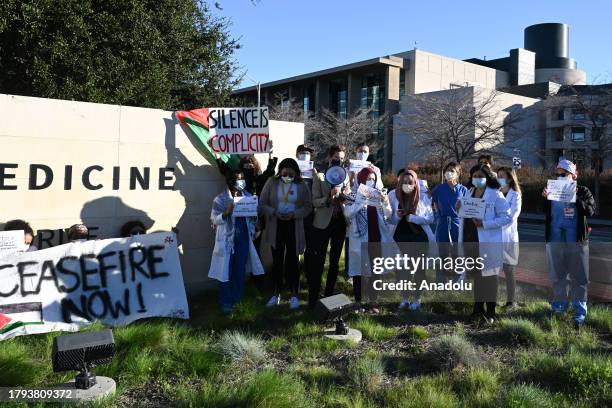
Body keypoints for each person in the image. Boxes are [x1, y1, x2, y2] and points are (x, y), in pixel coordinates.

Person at [542, 159, 595, 329]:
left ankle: (579, 313)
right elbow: (543, 211)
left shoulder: (582, 190)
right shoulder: (552, 189)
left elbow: (591, 210)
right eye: (557, 174)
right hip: (556, 239)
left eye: (563, 174)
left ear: (573, 175)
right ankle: (559, 308)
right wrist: (544, 198)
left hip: (576, 241)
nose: (559, 177)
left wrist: (575, 199)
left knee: (579, 278)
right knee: (558, 276)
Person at [458, 165, 511, 324]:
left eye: (480, 175)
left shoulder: (495, 195)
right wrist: (458, 208)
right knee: (476, 277)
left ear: (488, 177)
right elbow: (464, 215)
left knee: (489, 278)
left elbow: (507, 217)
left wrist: (485, 224)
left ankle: (491, 312)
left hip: (488, 243)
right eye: (474, 175)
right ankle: (478, 309)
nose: (476, 178)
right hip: (471, 240)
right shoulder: (469, 192)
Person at [259, 158, 313, 309]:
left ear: (296, 173)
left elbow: (308, 206)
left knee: (293, 261)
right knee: (277, 261)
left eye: (291, 173)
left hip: (293, 225)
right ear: (280, 171)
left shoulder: (301, 185)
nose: (288, 175)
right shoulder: (272, 182)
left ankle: (294, 294)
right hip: (276, 225)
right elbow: (262, 203)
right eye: (285, 172)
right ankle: (276, 294)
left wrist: (294, 214)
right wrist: (274, 212)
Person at [209, 169, 264, 313]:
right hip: (227, 241)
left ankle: (237, 299)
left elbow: (253, 218)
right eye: (238, 179)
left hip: (243, 239)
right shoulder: (220, 199)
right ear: (230, 182)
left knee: (239, 271)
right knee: (225, 271)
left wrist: (255, 219)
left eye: (242, 178)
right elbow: (214, 219)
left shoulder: (249, 197)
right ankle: (226, 302)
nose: (241, 182)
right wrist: (226, 213)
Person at [344, 167, 393, 311]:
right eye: (367, 179)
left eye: (373, 179)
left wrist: (385, 202)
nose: (370, 181)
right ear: (361, 179)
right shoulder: (353, 195)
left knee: (376, 270)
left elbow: (389, 215)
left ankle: (374, 301)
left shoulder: (379, 195)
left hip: (376, 237)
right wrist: (360, 201)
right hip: (360, 239)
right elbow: (348, 213)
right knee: (358, 270)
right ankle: (358, 301)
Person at [309, 145, 351, 308]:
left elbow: (348, 199)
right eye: (335, 158)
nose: (338, 161)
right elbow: (314, 201)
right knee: (317, 260)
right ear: (329, 157)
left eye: (341, 158)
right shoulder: (319, 176)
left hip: (339, 222)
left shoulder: (345, 177)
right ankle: (313, 297)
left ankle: (328, 295)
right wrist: (328, 198)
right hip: (321, 223)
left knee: (334, 261)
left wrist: (342, 196)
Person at [389, 169, 435, 310]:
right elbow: (389, 218)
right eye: (404, 182)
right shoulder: (393, 195)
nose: (407, 185)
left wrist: (414, 218)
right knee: (403, 269)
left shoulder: (423, 197)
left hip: (419, 236)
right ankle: (404, 299)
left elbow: (430, 218)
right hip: (400, 235)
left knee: (419, 269)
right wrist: (397, 215)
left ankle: (417, 300)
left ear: (415, 184)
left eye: (410, 182)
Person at [431, 162, 468, 282]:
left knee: (458, 253)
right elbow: (434, 203)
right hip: (442, 223)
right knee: (442, 253)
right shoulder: (439, 188)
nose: (449, 173)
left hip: (457, 223)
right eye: (447, 170)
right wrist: (438, 215)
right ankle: (441, 281)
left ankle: (458, 281)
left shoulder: (463, 190)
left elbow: (468, 207)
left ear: (458, 174)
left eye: (452, 170)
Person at [497, 167, 522, 310]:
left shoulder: (516, 195)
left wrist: (493, 223)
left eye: (502, 176)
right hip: (494, 238)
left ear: (509, 178)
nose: (499, 178)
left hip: (508, 238)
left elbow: (512, 217)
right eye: (498, 175)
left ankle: (511, 301)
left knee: (509, 270)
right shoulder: (496, 194)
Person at [296, 144, 317, 290]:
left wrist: (316, 175)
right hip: (295, 217)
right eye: (303, 153)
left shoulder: (315, 172)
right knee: (294, 250)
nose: (305, 155)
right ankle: (293, 281)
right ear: (297, 155)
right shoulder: (291, 172)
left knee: (311, 250)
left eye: (308, 153)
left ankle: (310, 279)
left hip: (311, 217)